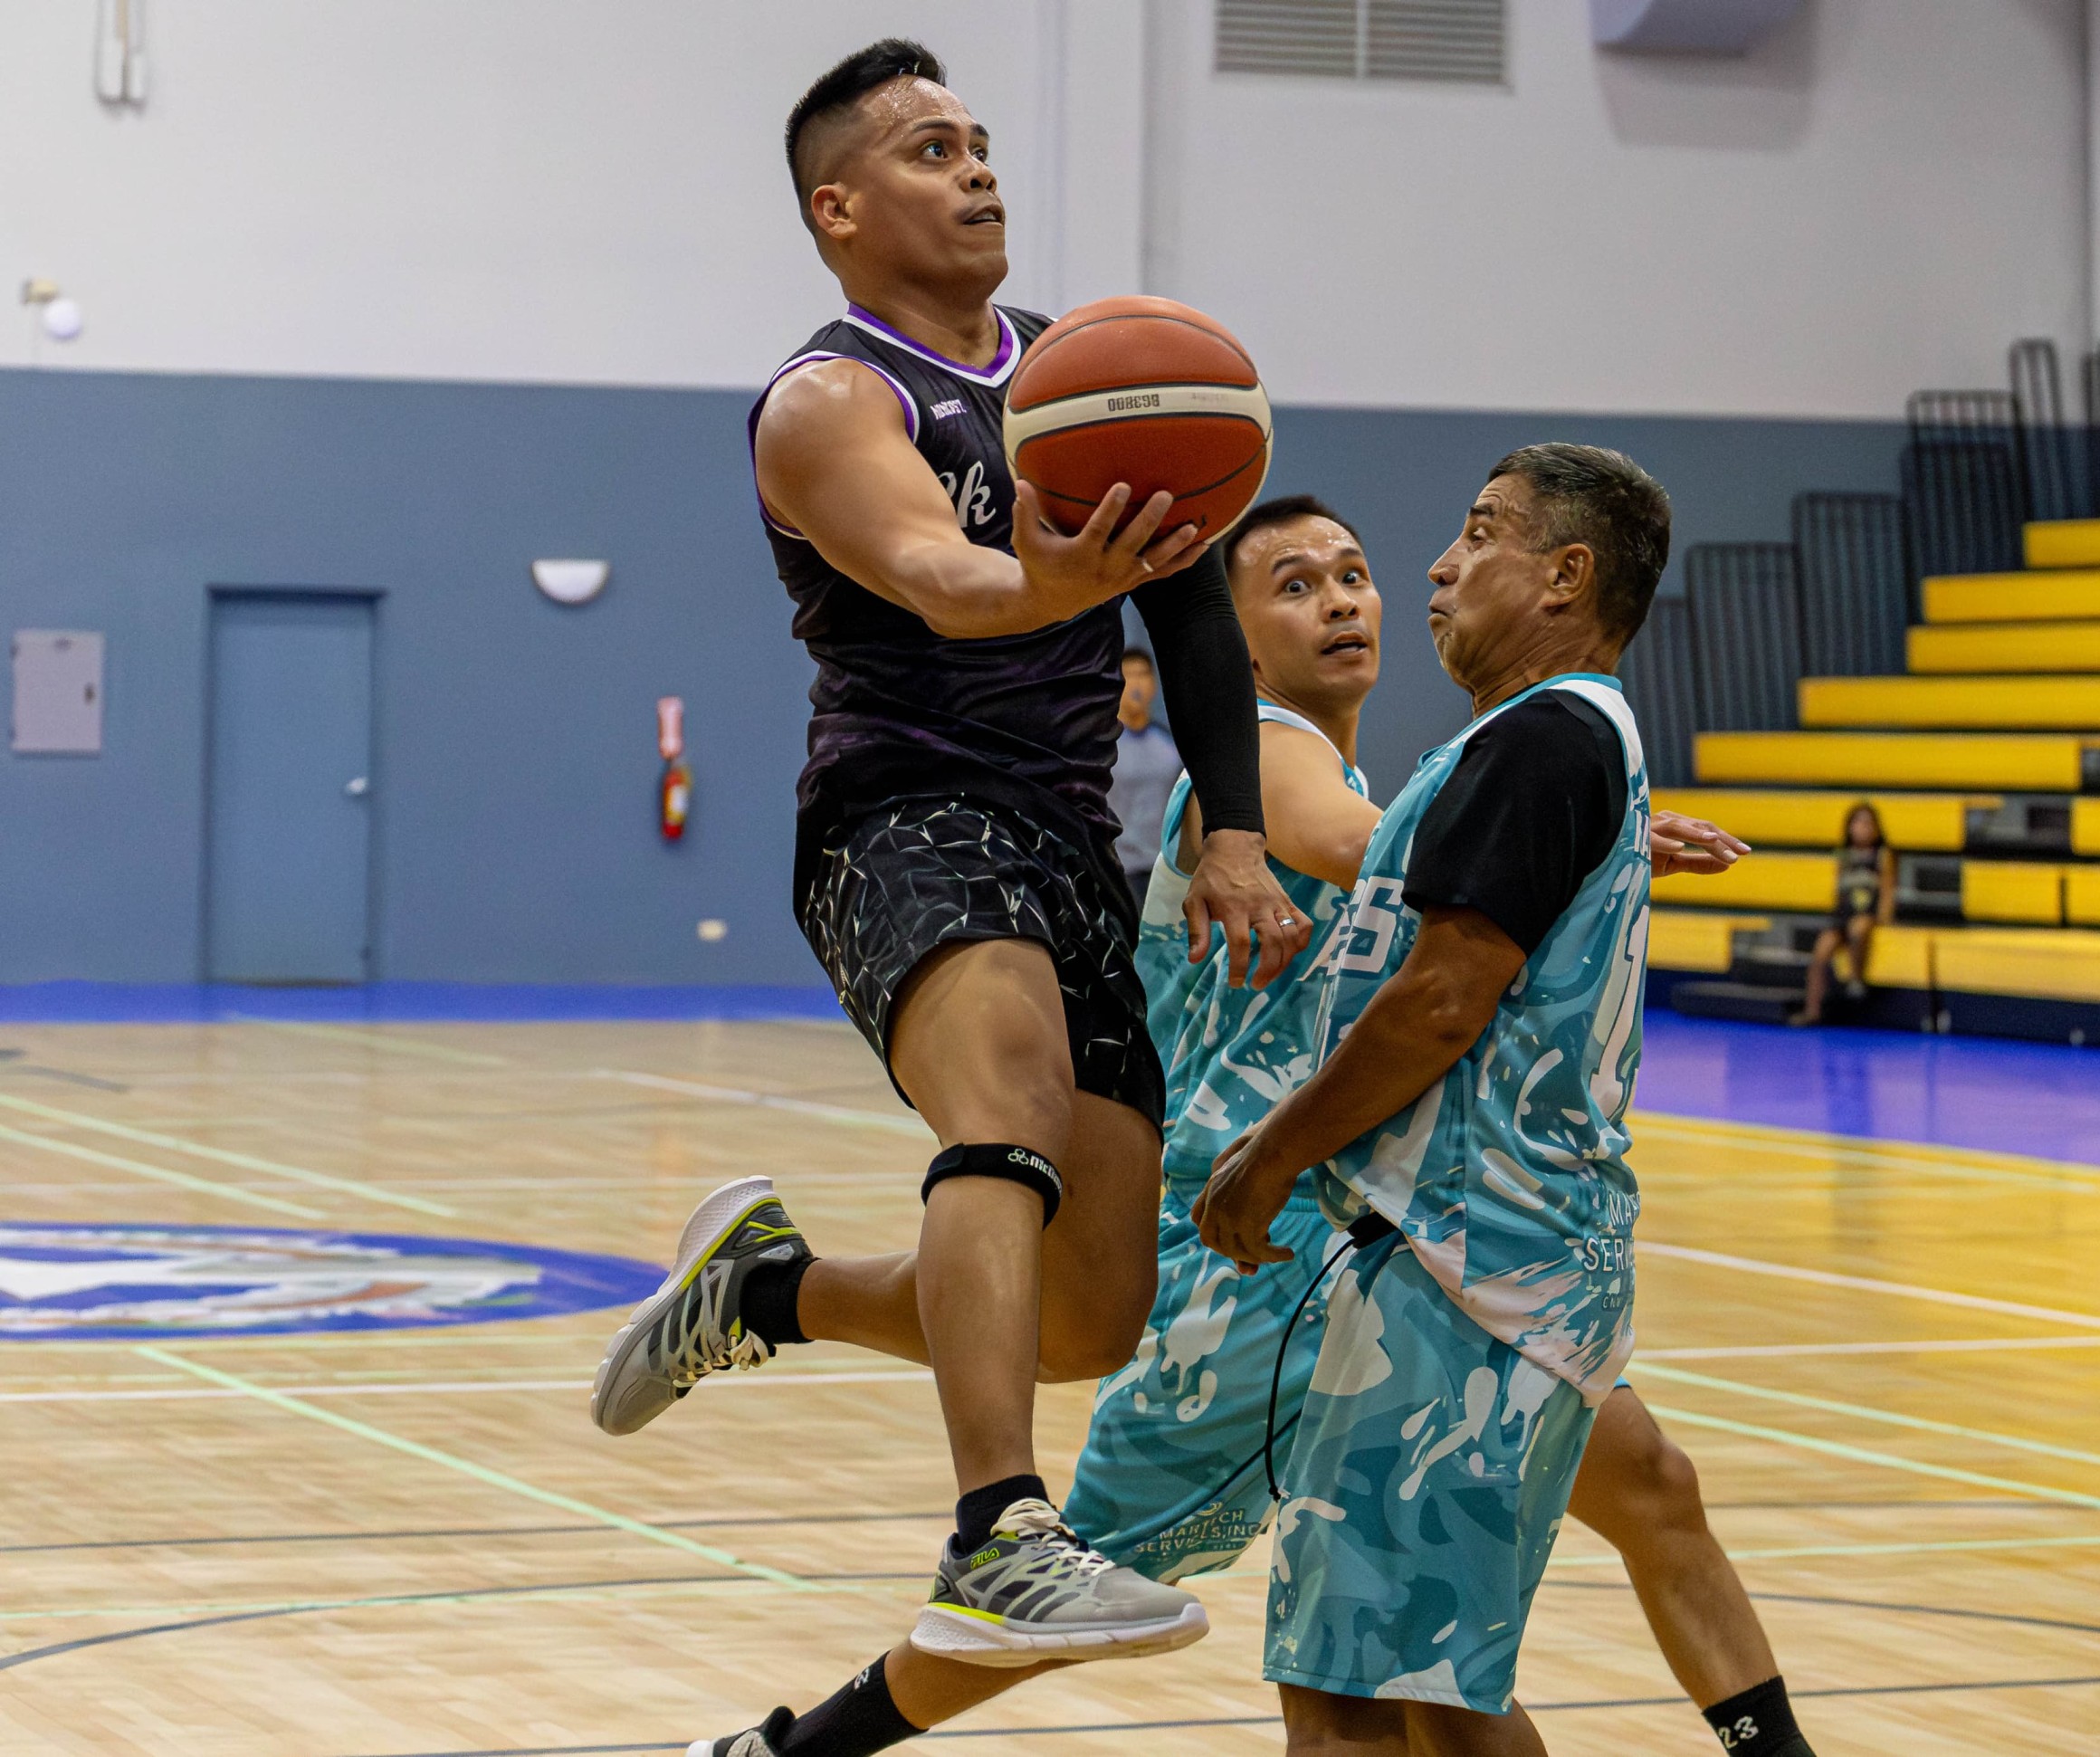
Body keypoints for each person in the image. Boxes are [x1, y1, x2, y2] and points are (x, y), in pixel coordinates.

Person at [683, 495, 1814, 1757]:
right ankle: (793, 1743)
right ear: (1229, 645)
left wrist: (1559, 826)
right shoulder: (1266, 760)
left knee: (1622, 1502)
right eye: (1291, 584)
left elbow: (1423, 851)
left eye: (1352, 570)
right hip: (1245, 1260)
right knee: (1195, 1625)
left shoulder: (1403, 771)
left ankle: (776, 1294)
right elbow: (1370, 848)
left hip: (1380, 1243)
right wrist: (1559, 825)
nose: (1338, 598)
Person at [588, 36, 1309, 1677]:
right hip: (902, 808)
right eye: (929, 149)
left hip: (1067, 833)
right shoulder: (828, 401)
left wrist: (1235, 831)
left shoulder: (1094, 372)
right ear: (837, 210)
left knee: (1089, 1315)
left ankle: (767, 1295)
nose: (977, 167)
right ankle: (998, 1537)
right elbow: (944, 576)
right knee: (1005, 1113)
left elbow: (1191, 611)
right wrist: (1051, 576)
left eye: (980, 141)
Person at [1197, 446, 1779, 1756]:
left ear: (1566, 575)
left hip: (1468, 1262)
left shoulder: (1546, 737)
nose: (1438, 568)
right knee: (1381, 1687)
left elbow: (1442, 1001)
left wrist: (1274, 1156)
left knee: (1397, 1695)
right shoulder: (1540, 748)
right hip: (1469, 1257)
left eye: (1479, 535)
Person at [1790, 802, 1893, 1027]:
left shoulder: (1881, 856)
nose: (1862, 828)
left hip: (1867, 914)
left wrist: (1885, 918)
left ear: (1876, 828)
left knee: (1859, 928)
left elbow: (1886, 891)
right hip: (1842, 916)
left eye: (1867, 823)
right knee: (1821, 951)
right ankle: (1812, 1010)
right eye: (1857, 823)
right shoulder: (1843, 855)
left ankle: (1856, 980)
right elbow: (1838, 890)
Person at [1108, 648, 1182, 896]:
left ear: (1153, 684)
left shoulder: (1171, 747)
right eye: (1128, 675)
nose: (1136, 683)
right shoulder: (1102, 748)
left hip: (1163, 871)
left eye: (1142, 675)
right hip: (1117, 871)